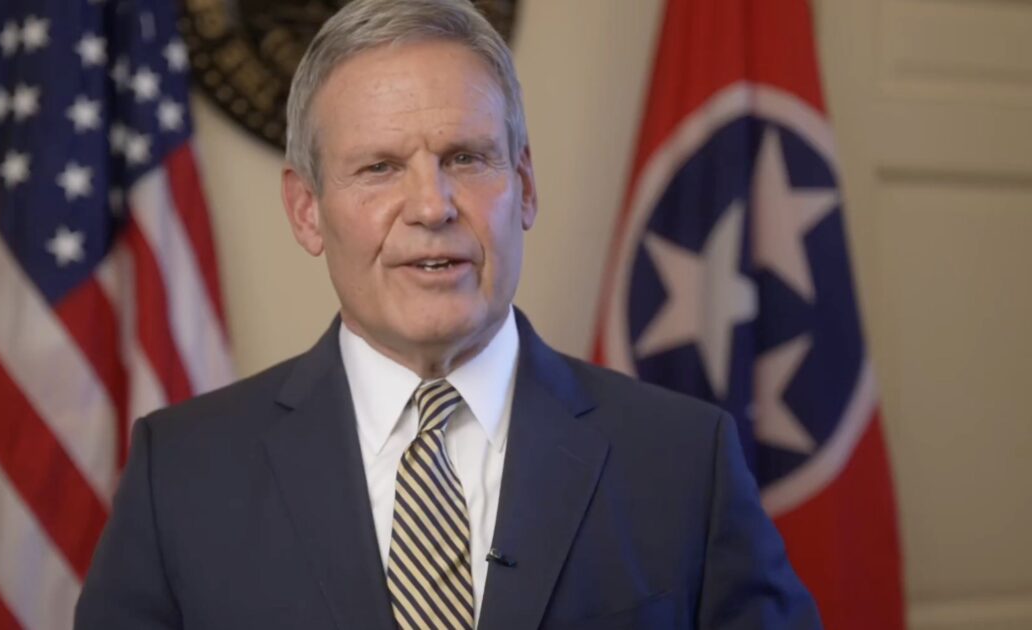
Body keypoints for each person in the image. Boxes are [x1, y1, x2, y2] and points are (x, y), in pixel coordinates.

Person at [75, 0, 822, 628]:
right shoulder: (180, 475)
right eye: (380, 168)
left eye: (466, 158)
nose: (432, 207)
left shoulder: (687, 463)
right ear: (307, 211)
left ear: (524, 187)